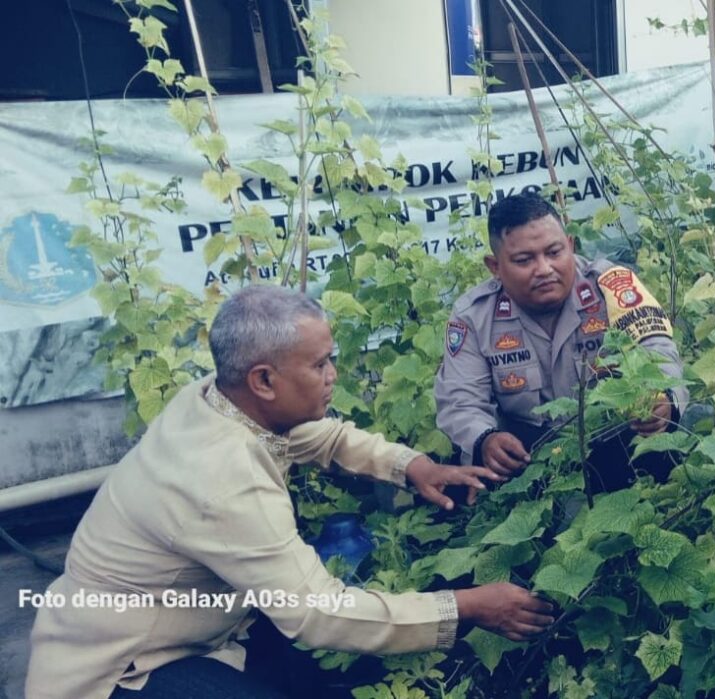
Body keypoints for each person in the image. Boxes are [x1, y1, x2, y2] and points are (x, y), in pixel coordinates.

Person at [25, 285, 554, 699]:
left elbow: (315, 433)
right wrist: (467, 607)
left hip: (191, 626)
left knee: (328, 674)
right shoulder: (221, 479)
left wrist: (411, 465)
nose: (333, 374)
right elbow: (317, 614)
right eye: (320, 363)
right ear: (263, 380)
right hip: (124, 668)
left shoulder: (216, 398)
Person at [434, 191, 689, 491]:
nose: (544, 269)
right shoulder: (474, 316)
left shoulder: (611, 286)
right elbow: (461, 400)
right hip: (529, 458)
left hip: (616, 442)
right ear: (495, 266)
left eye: (554, 252)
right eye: (524, 260)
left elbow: (657, 350)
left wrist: (663, 401)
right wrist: (485, 439)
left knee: (666, 457)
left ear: (570, 245)